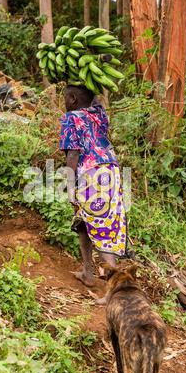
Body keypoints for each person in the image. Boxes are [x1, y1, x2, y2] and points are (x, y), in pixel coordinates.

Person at [59, 85, 128, 293]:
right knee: (83, 221)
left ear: (72, 98)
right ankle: (88, 272)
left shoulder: (71, 118)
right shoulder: (99, 113)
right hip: (112, 171)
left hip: (91, 175)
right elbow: (94, 99)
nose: (63, 102)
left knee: (103, 229)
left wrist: (69, 186)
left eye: (65, 98)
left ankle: (113, 292)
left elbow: (72, 154)